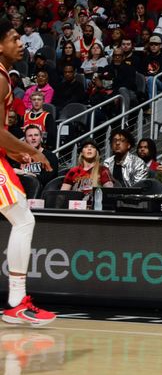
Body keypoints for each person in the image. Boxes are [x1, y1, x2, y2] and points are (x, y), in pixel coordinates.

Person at [0, 18, 56, 324]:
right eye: (13, 38)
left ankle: (16, 301)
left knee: (22, 218)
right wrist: (34, 150)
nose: (20, 43)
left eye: (21, 38)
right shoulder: (1, 78)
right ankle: (16, 301)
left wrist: (13, 151)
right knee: (23, 219)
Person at [10, 125, 57, 191]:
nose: (33, 138)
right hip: (20, 190)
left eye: (36, 135)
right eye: (30, 136)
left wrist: (24, 172)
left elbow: (47, 178)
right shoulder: (19, 156)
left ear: (41, 137)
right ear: (25, 139)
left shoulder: (50, 156)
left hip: (41, 192)